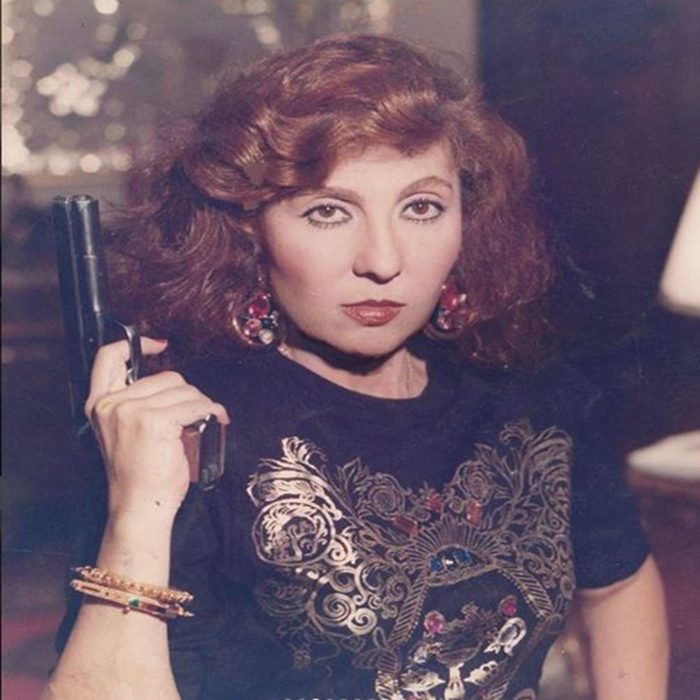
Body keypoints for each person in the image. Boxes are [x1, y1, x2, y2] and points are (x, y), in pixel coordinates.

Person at [43, 33, 668, 700]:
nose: (383, 261)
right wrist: (137, 514)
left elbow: (620, 584)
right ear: (251, 231)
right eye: (328, 211)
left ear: (468, 219)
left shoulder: (530, 397)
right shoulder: (197, 431)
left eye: (421, 207)